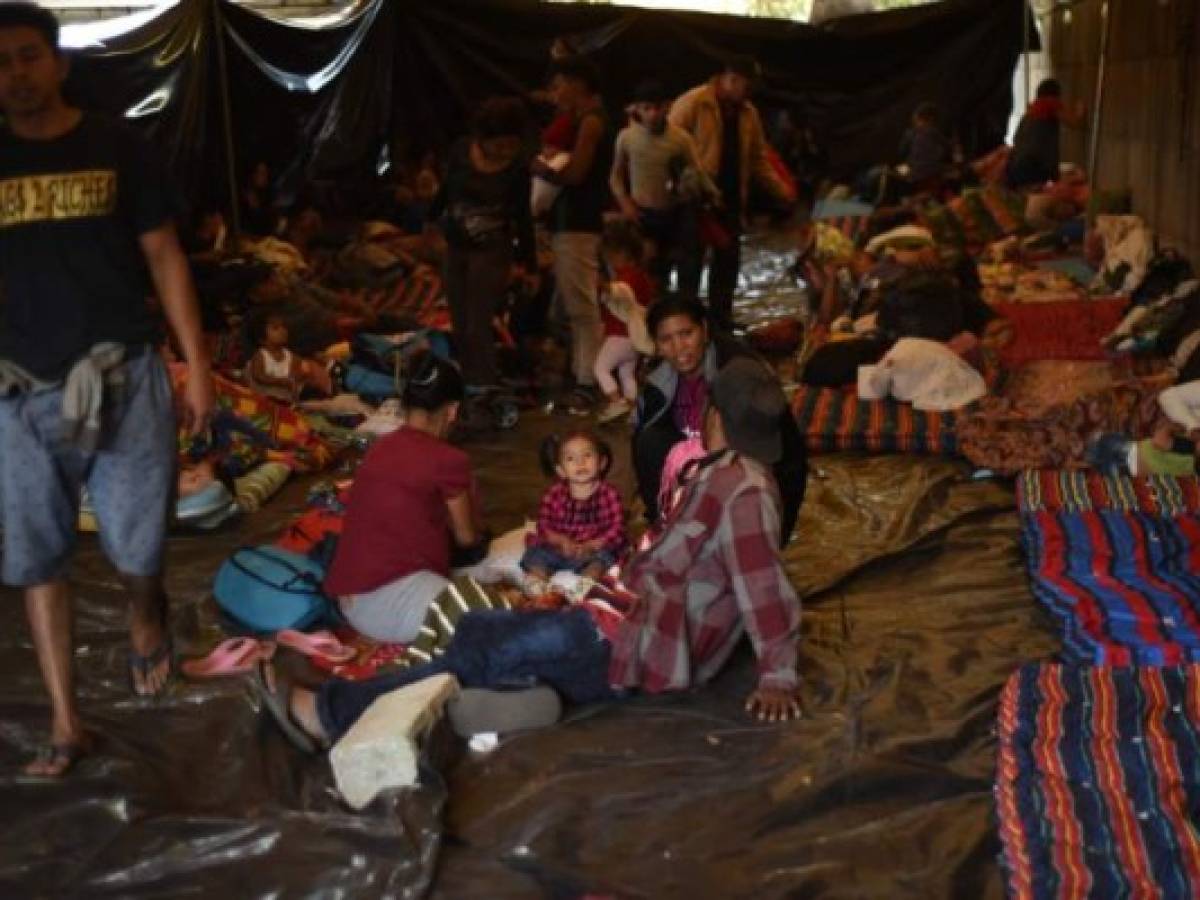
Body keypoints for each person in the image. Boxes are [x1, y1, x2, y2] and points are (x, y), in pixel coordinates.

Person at [256, 356, 804, 753]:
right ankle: (524, 693)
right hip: (619, 616)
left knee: (478, 648)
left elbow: (763, 586)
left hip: (626, 637)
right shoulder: (727, 473)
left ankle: (330, 714)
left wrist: (777, 675)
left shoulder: (745, 490)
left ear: (716, 418)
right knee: (481, 633)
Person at [0, 3, 215, 776]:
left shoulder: (118, 146)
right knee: (36, 560)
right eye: (1, 63)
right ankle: (65, 724)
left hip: (125, 374)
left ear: (58, 63)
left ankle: (145, 611)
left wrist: (197, 364)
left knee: (140, 547)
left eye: (27, 56)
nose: (15, 75)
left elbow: (164, 256)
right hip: (18, 394)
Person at [323, 353, 490, 644]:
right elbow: (466, 538)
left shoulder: (380, 448)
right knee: (494, 622)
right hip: (388, 603)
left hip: (350, 599)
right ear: (452, 411)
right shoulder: (448, 459)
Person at [632, 297, 806, 543]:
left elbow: (785, 455)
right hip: (696, 472)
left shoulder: (739, 373)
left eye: (686, 334)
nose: (679, 348)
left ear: (704, 330)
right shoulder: (658, 381)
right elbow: (643, 444)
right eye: (666, 340)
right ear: (657, 345)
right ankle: (673, 528)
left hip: (741, 474)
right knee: (649, 440)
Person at [670, 56, 794, 332]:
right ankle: (687, 320)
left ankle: (719, 319)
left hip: (731, 196)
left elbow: (758, 158)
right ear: (729, 78)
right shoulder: (693, 103)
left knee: (728, 258)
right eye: (743, 84)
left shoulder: (747, 114)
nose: (746, 92)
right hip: (697, 197)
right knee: (691, 260)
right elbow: (668, 145)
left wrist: (780, 189)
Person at [428, 97, 536, 396]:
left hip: (492, 248)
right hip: (456, 242)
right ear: (483, 138)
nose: (505, 152)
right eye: (499, 145)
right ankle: (464, 384)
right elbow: (446, 190)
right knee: (459, 319)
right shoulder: (462, 152)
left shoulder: (516, 169)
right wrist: (429, 220)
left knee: (478, 321)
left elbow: (522, 217)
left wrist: (530, 264)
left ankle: (485, 386)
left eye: (511, 145)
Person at [531, 56, 614, 415]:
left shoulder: (592, 123)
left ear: (578, 83)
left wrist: (542, 170)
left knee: (582, 306)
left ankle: (586, 381)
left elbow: (577, 174)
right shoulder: (582, 121)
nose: (556, 93)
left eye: (560, 84)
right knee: (569, 304)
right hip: (573, 222)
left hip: (579, 224)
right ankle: (579, 373)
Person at [609, 78, 715, 289]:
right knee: (650, 270)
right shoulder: (627, 138)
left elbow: (698, 172)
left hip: (676, 211)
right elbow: (615, 177)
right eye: (646, 108)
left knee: (687, 266)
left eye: (658, 108)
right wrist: (626, 204)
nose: (653, 114)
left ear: (668, 106)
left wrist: (708, 192)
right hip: (643, 214)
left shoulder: (680, 139)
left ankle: (685, 308)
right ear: (637, 109)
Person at [521, 430, 626, 589]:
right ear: (561, 470)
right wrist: (560, 540)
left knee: (603, 560)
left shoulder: (609, 494)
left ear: (602, 463)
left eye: (587, 456)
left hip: (592, 550)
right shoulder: (553, 494)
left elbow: (617, 529)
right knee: (536, 555)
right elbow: (544, 525)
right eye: (571, 459)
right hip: (559, 549)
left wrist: (592, 545)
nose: (580, 463)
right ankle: (537, 586)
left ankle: (583, 588)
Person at [594, 218, 655, 423]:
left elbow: (622, 292)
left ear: (622, 254)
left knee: (601, 368)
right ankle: (632, 405)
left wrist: (605, 287)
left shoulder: (626, 277)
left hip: (619, 335)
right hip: (636, 338)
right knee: (626, 373)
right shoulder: (643, 276)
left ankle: (617, 401)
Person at [1006, 78, 1086, 190]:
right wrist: (1080, 109)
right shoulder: (1050, 103)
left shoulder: (1031, 109)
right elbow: (1073, 122)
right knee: (1076, 178)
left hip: (1015, 166)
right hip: (1033, 166)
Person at [897, 102, 949, 192]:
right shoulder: (933, 131)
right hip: (935, 171)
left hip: (917, 175)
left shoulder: (910, 134)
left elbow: (902, 152)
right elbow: (947, 148)